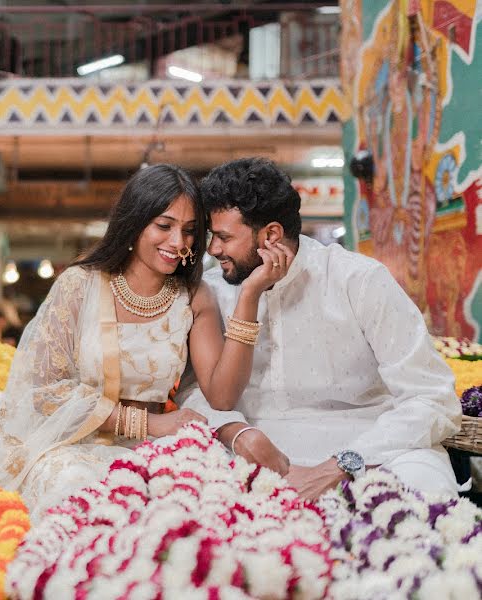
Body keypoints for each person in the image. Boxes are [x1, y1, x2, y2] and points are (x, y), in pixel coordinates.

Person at [0, 164, 292, 520]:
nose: (177, 243)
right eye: (164, 226)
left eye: (188, 231)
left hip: (156, 450)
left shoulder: (193, 296)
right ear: (135, 221)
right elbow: (48, 393)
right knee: (81, 494)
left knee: (203, 503)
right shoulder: (80, 284)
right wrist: (152, 425)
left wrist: (250, 296)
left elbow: (222, 394)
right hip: (73, 446)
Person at [180, 157, 461, 499]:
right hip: (253, 447)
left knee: (426, 490)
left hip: (367, 444)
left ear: (271, 235)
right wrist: (235, 431)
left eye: (224, 237)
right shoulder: (215, 290)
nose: (213, 249)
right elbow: (193, 390)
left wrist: (340, 465)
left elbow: (431, 396)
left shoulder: (358, 280)